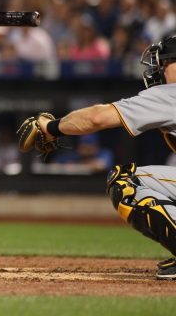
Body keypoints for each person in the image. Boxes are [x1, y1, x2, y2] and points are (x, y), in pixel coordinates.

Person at [25, 34, 176, 280]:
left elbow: (97, 117)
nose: (158, 69)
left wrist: (50, 127)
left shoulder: (171, 93)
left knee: (126, 180)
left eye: (165, 63)